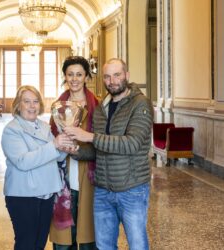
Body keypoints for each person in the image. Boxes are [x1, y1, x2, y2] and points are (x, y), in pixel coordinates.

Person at [64, 58, 153, 250]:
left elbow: (132, 144)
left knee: (137, 245)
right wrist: (75, 150)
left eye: (117, 75)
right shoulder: (101, 108)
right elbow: (97, 150)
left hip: (132, 189)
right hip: (103, 190)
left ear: (127, 76)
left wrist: (88, 136)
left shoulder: (140, 104)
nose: (112, 81)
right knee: (104, 246)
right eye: (107, 76)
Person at [1, 85, 74, 250]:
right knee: (26, 244)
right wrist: (55, 145)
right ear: (18, 105)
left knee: (39, 244)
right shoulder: (11, 130)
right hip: (23, 196)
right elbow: (23, 161)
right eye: (26, 101)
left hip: (46, 194)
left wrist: (66, 147)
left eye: (35, 102)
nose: (32, 106)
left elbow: (54, 157)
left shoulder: (43, 126)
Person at [49, 56, 99, 250]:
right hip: (63, 180)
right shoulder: (57, 107)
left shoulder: (98, 106)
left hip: (90, 178)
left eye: (79, 74)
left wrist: (79, 148)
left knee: (88, 237)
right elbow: (51, 138)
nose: (75, 79)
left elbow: (102, 143)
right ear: (65, 76)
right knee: (63, 241)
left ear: (86, 76)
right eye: (70, 74)